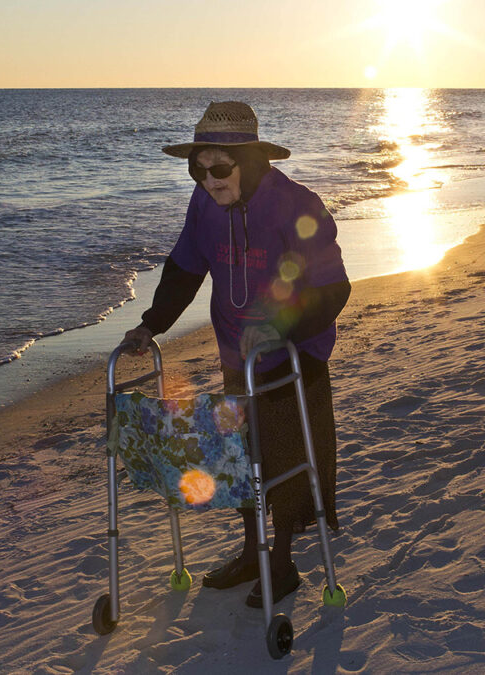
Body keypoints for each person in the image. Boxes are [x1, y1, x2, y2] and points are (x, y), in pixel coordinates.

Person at [122, 101, 351, 608]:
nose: (208, 180)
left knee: (287, 458)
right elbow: (184, 268)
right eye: (198, 169)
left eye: (220, 168)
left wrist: (279, 328)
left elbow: (335, 288)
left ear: (250, 162)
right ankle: (253, 551)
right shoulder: (204, 205)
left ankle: (283, 561)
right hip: (236, 352)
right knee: (242, 456)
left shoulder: (297, 205)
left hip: (295, 355)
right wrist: (150, 324)